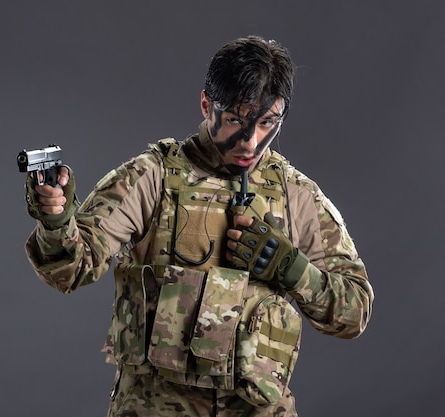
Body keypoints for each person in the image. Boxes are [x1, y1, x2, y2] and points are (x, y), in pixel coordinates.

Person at [22, 35, 374, 417]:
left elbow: (354, 312)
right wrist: (56, 220)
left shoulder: (297, 195)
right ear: (207, 104)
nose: (251, 142)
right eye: (237, 120)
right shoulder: (152, 177)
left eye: (268, 122)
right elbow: (70, 269)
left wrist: (293, 269)